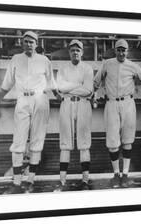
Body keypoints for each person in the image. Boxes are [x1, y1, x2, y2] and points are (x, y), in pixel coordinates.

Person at [0, 31, 56, 194]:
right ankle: (16, 183)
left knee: (37, 141)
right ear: (22, 43)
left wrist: (63, 98)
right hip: (22, 100)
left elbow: (52, 84)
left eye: (31, 42)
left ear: (37, 44)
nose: (28, 44)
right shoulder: (16, 59)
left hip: (41, 100)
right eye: (26, 41)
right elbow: (7, 83)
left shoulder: (45, 60)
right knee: (18, 142)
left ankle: (30, 180)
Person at [94, 39, 141, 188]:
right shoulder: (107, 64)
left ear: (127, 51)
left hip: (128, 103)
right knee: (112, 141)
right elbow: (95, 82)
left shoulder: (132, 66)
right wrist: (93, 96)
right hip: (111, 103)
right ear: (115, 50)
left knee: (128, 140)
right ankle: (116, 174)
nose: (121, 52)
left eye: (124, 50)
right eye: (119, 50)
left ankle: (125, 174)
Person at [54, 40, 94, 191]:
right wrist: (78, 87)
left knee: (84, 143)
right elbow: (60, 88)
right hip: (67, 104)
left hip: (83, 105)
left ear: (82, 52)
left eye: (78, 50)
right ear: (69, 52)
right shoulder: (63, 69)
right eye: (72, 50)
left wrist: (68, 88)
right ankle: (62, 181)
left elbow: (88, 91)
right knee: (65, 143)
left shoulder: (88, 68)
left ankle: (85, 180)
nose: (75, 52)